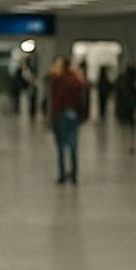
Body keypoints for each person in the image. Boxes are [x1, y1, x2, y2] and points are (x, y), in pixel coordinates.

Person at [50, 56, 89, 184]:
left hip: (60, 113)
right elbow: (81, 98)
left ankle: (62, 174)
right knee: (73, 145)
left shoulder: (57, 79)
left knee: (61, 146)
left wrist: (52, 116)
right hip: (72, 113)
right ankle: (73, 174)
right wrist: (82, 115)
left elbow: (54, 99)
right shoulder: (75, 80)